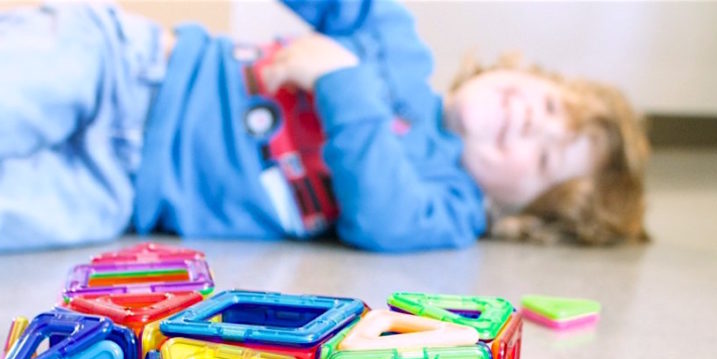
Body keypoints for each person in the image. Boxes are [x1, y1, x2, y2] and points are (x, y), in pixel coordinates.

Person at [0, 1, 649, 253]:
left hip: (123, 193)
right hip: (131, 67)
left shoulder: (447, 207)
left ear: (519, 213)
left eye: (543, 158)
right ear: (524, 73)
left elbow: (380, 216)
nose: (530, 123)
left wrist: (342, 80)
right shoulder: (400, 50)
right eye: (548, 104)